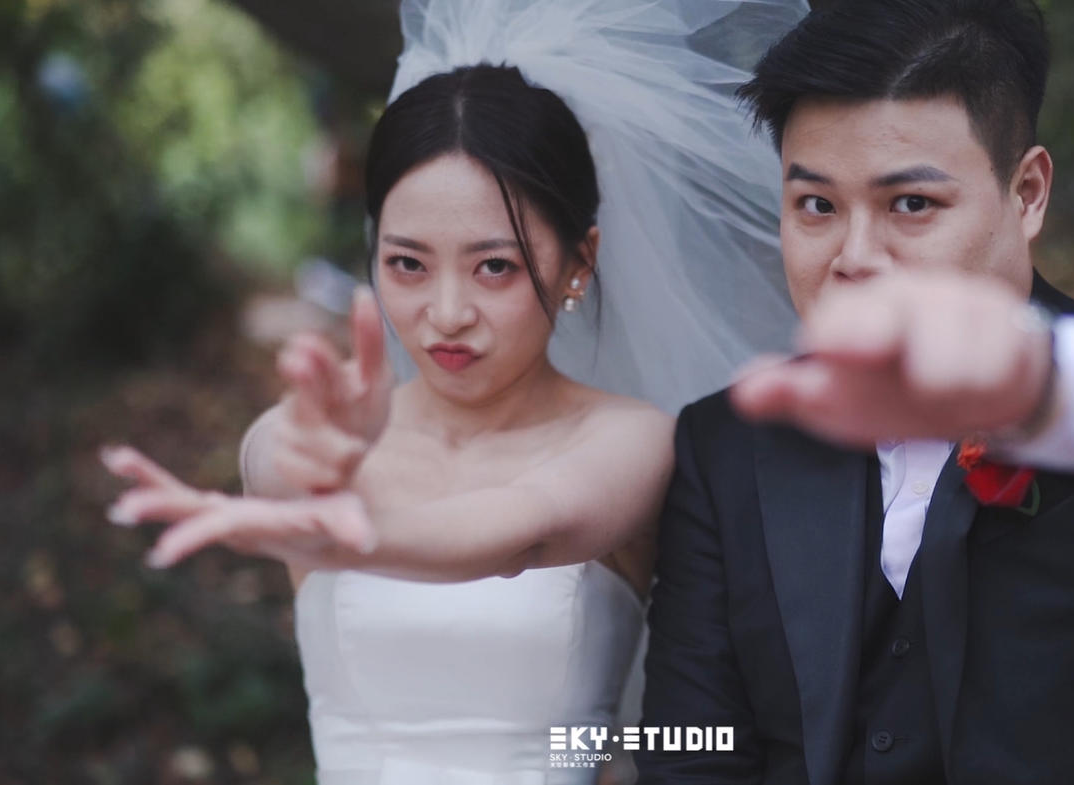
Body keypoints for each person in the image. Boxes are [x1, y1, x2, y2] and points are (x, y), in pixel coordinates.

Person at [102, 1, 806, 782]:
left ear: (579, 262)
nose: (445, 314)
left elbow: (522, 529)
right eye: (407, 263)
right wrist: (288, 466)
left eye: (494, 266)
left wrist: (582, 749)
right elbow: (273, 466)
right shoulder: (318, 442)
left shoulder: (633, 440)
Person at [636, 1, 1074, 784]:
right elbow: (689, 752)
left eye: (911, 204)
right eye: (817, 205)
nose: (854, 257)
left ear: (1027, 194)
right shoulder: (726, 446)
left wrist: (1039, 386)